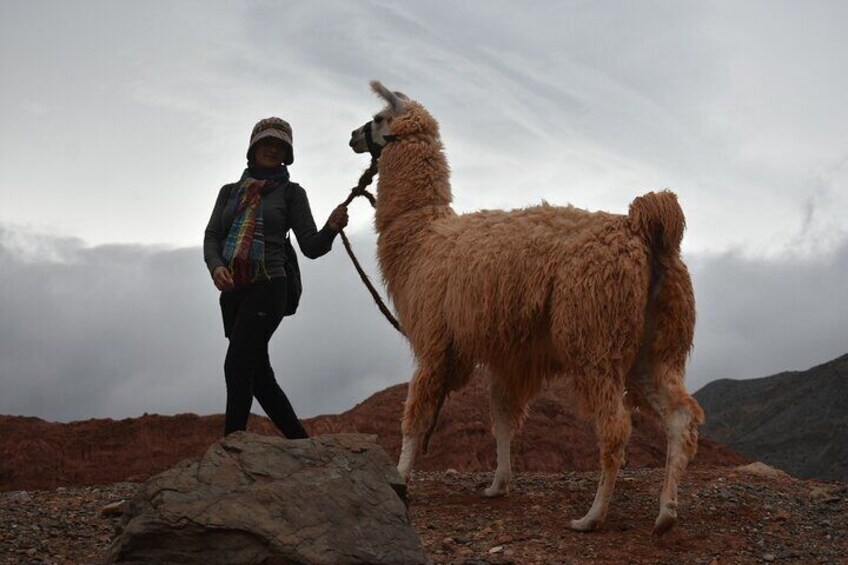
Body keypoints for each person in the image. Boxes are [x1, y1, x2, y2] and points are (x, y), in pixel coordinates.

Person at [204, 117, 348, 437]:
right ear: (253, 148)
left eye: (280, 146)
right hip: (233, 292)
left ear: (287, 154)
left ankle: (233, 446)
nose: (272, 149)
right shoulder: (229, 192)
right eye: (266, 143)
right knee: (259, 375)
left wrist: (332, 229)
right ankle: (300, 443)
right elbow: (213, 235)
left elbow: (311, 246)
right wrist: (216, 267)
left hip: (270, 284)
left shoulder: (292, 194)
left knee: (237, 365)